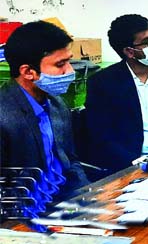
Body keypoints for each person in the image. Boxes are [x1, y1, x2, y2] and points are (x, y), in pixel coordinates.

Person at [0, 21, 88, 209]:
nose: (70, 71)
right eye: (60, 64)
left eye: (69, 61)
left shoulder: (57, 104)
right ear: (28, 72)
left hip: (63, 205)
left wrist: (89, 197)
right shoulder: (3, 115)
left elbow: (70, 161)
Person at [85, 14, 148, 174]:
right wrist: (134, 163)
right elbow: (101, 136)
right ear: (129, 51)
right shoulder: (103, 82)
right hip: (132, 164)